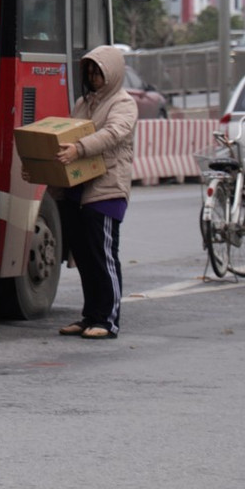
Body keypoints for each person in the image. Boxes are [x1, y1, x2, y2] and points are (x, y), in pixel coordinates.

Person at [53, 45, 138, 340]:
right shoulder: (83, 102)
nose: (93, 77)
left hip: (106, 189)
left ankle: (108, 319)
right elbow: (66, 134)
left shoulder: (123, 104)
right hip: (79, 191)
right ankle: (90, 315)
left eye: (98, 72)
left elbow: (113, 133)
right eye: (89, 72)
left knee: (104, 257)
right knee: (86, 258)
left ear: (111, 73)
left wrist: (79, 148)